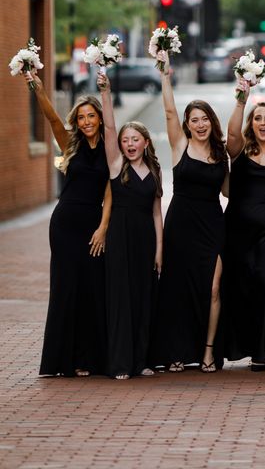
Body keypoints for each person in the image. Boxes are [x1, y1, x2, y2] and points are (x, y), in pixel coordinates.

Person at [24, 70, 111, 377]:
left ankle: (87, 358)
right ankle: (61, 361)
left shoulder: (109, 151)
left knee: (91, 289)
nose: (87, 121)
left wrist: (102, 228)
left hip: (91, 225)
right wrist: (36, 86)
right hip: (63, 225)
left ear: (100, 118)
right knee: (65, 288)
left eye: (91, 116)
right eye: (82, 117)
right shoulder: (70, 142)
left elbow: (109, 194)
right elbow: (50, 119)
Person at [152, 53, 228, 373]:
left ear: (211, 121)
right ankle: (176, 350)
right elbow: (168, 110)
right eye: (194, 119)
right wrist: (165, 73)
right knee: (177, 288)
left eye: (204, 118)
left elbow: (228, 193)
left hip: (212, 224)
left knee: (212, 288)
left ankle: (208, 349)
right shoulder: (179, 145)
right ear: (187, 124)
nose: (200, 124)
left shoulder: (222, 153)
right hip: (181, 223)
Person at [98, 72, 162, 379]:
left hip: (146, 238)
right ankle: (121, 363)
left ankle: (141, 361)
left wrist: (160, 249)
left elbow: (156, 213)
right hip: (120, 237)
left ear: (146, 143)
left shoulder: (153, 169)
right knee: (121, 300)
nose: (129, 144)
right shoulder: (116, 164)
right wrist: (106, 92)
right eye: (125, 141)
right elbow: (109, 127)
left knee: (143, 298)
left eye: (135, 139)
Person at [222, 85, 265, 370]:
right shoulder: (241, 149)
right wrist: (241, 100)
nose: (263, 123)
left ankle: (262, 351)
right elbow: (232, 133)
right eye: (258, 118)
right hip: (236, 231)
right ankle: (239, 346)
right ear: (252, 123)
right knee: (239, 288)